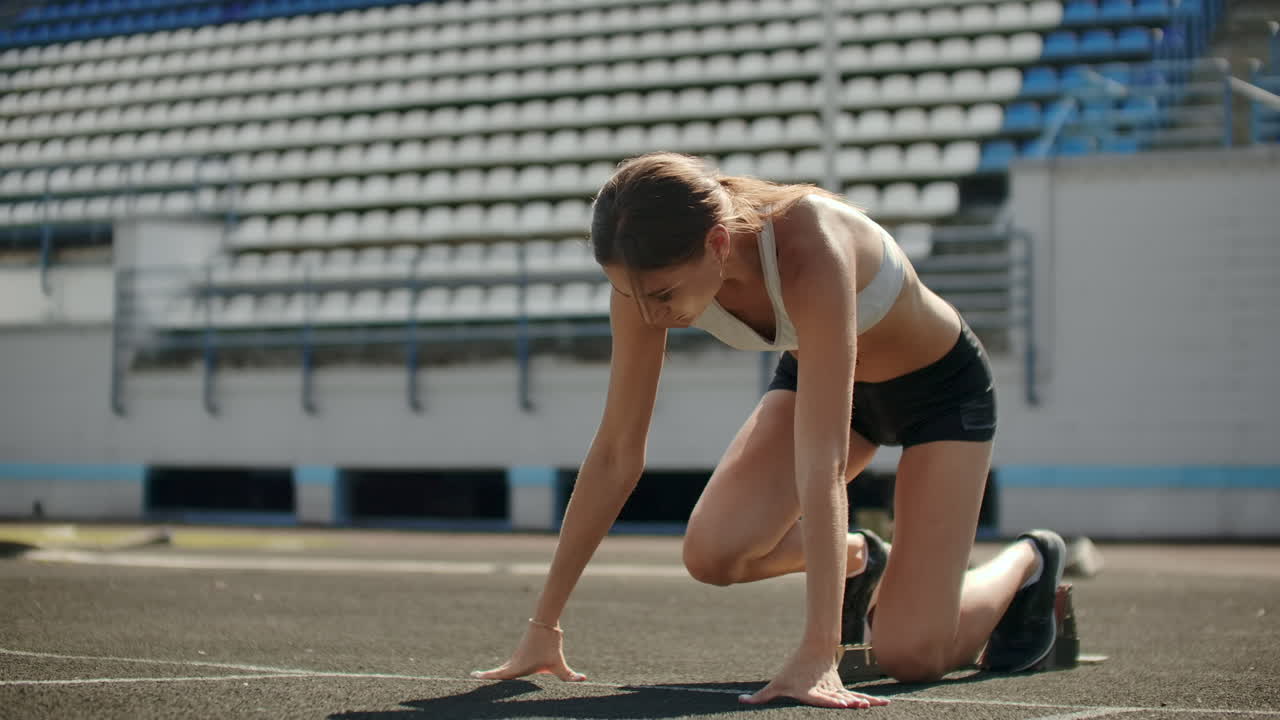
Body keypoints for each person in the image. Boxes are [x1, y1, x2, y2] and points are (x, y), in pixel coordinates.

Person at [472, 152, 1069, 709]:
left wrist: (820, 652)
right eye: (629, 295)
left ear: (716, 243)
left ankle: (1029, 562)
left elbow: (824, 463)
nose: (648, 315)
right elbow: (616, 452)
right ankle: (863, 559)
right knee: (713, 553)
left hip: (940, 392)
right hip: (824, 371)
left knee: (913, 655)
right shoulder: (642, 284)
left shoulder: (812, 245)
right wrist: (542, 627)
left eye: (661, 295)